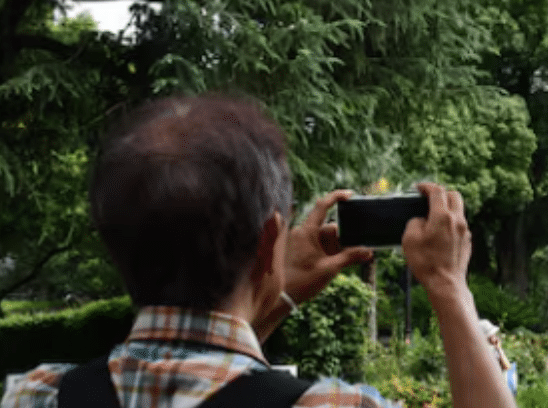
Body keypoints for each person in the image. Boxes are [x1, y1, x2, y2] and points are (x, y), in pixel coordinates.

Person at [1, 94, 517, 408]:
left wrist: (265, 297)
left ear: (112, 241)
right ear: (270, 238)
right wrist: (449, 288)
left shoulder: (37, 395)